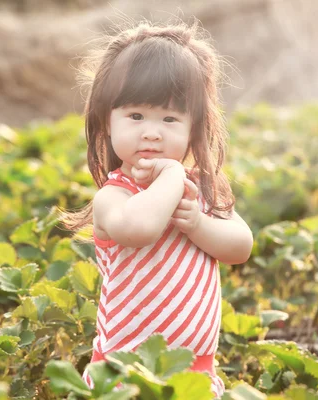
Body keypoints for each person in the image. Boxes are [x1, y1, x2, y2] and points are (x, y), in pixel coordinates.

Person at [59, 20, 254, 398]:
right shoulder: (114, 196)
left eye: (169, 119)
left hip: (194, 371)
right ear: (106, 122)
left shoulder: (201, 192)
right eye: (135, 116)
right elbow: (140, 229)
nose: (152, 132)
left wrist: (198, 223)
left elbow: (240, 246)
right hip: (123, 373)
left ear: (194, 129)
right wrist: (171, 176)